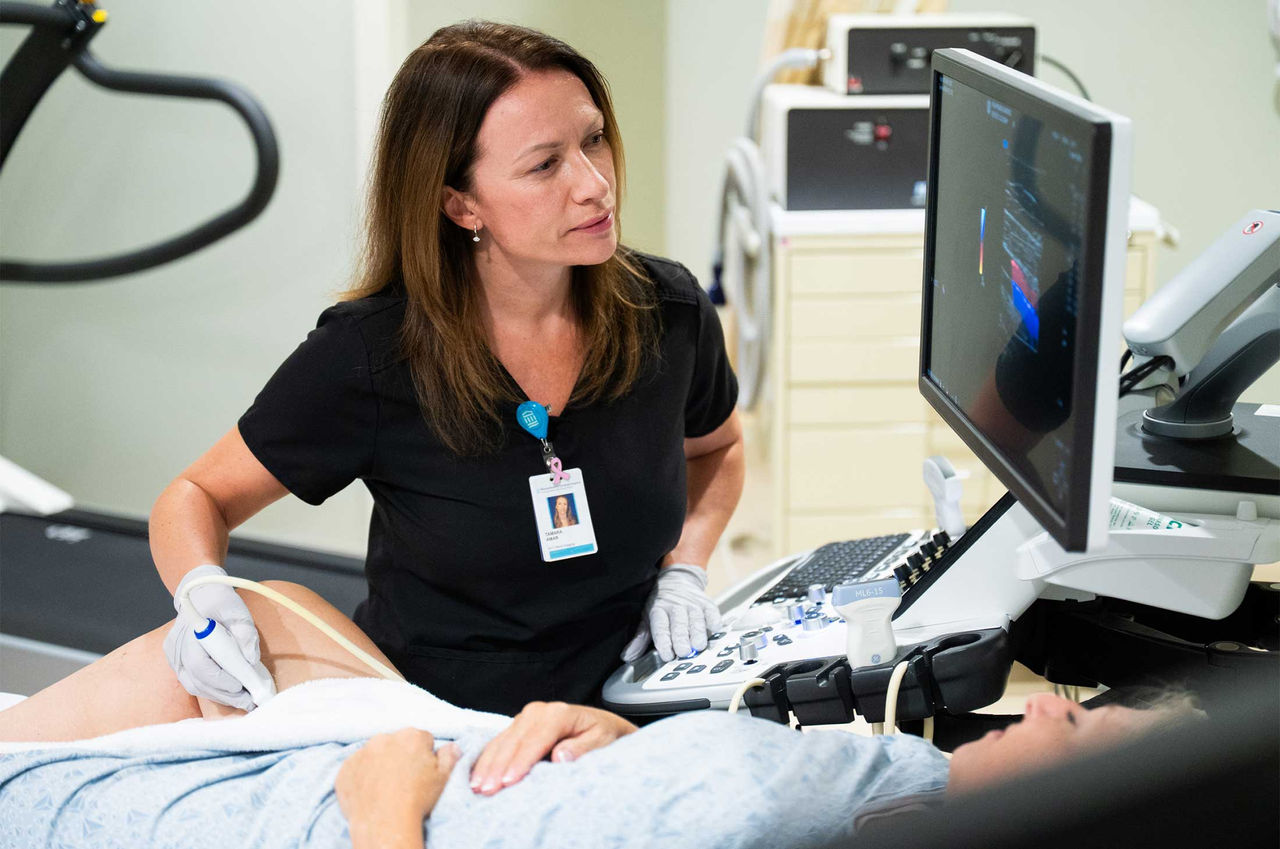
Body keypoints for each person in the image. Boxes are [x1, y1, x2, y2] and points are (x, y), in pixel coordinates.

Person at [148, 20, 743, 717]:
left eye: (593, 140)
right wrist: (200, 594)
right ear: (460, 203)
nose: (594, 184)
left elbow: (720, 448)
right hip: (444, 732)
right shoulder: (373, 354)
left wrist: (687, 570)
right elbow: (195, 494)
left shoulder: (665, 310)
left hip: (630, 708)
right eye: (544, 164)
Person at [0, 580, 1201, 849]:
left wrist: (384, 813)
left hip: (361, 809)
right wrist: (628, 741)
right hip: (480, 754)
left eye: (1082, 732)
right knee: (253, 615)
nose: (1050, 718)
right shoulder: (869, 796)